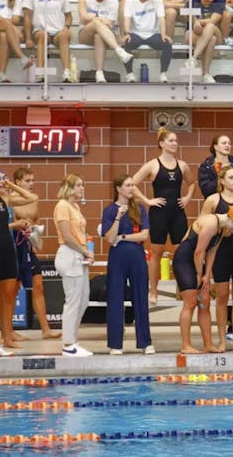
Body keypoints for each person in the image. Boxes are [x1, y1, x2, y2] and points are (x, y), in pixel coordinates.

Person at [132, 126, 195, 305]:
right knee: (156, 253)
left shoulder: (182, 166)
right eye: (171, 140)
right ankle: (153, 291)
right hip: (159, 213)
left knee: (181, 253)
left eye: (176, 141)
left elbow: (192, 183)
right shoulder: (152, 165)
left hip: (177, 213)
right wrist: (147, 201)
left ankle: (182, 290)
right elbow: (132, 184)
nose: (175, 143)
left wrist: (188, 198)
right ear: (162, 143)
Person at [172, 209, 233, 353]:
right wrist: (199, 274)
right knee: (190, 302)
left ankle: (208, 344)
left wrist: (207, 274)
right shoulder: (210, 223)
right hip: (184, 261)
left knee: (205, 302)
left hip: (198, 262)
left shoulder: (222, 229)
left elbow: (212, 251)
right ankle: (186, 345)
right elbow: (199, 251)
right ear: (231, 220)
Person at [198, 165, 233, 351]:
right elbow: (201, 225)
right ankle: (221, 340)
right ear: (221, 181)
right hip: (219, 253)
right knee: (221, 296)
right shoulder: (213, 200)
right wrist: (221, 229)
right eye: (231, 177)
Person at [101, 174, 154, 355]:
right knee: (115, 298)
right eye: (128, 185)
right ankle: (115, 344)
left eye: (132, 185)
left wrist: (123, 237)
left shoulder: (140, 209)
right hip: (117, 257)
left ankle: (145, 342)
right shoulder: (109, 211)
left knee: (140, 298)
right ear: (118, 188)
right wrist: (117, 217)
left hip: (137, 255)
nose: (132, 188)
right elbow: (109, 238)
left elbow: (144, 235)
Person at [6, 168, 58, 340]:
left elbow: (36, 222)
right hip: (14, 245)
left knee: (38, 285)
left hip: (28, 245)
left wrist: (37, 241)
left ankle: (46, 329)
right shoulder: (10, 199)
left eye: (32, 180)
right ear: (18, 181)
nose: (31, 184)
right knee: (11, 290)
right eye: (27, 181)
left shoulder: (33, 201)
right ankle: (9, 330)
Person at [0, 168, 35, 351]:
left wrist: (9, 185)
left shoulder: (5, 199)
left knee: (7, 294)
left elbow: (31, 198)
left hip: (8, 251)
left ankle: (7, 337)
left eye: (4, 178)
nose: (2, 181)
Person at [51, 174, 93, 357]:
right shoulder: (62, 206)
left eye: (82, 185)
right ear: (68, 187)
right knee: (73, 302)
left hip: (79, 255)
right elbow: (67, 236)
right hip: (69, 255)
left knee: (83, 300)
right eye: (78, 185)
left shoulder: (74, 206)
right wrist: (84, 251)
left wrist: (86, 251)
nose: (82, 188)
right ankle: (68, 344)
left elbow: (79, 233)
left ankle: (73, 340)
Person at [23, 0, 74, 82]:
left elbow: (69, 16)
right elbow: (27, 16)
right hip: (40, 30)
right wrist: (28, 38)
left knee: (64, 35)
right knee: (42, 35)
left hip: (58, 32)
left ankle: (67, 73)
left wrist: (66, 27)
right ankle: (40, 74)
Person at [78, 0, 134, 83]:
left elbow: (110, 23)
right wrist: (98, 20)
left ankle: (99, 73)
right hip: (85, 34)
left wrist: (93, 17)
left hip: (105, 35)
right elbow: (83, 18)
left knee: (98, 35)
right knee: (96, 23)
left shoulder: (113, 1)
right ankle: (119, 50)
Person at [119, 0, 173, 82]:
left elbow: (161, 18)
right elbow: (127, 18)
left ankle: (163, 74)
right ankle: (129, 74)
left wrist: (163, 34)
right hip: (136, 33)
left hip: (153, 33)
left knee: (167, 44)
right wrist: (127, 33)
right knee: (126, 43)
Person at [184, 0, 224, 84]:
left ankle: (193, 57)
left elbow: (213, 20)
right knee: (211, 40)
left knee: (210, 26)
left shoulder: (219, 1)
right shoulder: (192, 1)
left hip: (216, 32)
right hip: (195, 34)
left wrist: (198, 22)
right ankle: (206, 74)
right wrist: (194, 21)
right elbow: (188, 17)